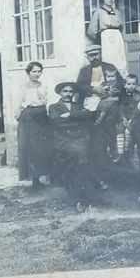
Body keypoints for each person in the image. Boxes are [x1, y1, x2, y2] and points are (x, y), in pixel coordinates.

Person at [47, 81, 96, 211]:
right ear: (59, 93)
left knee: (83, 168)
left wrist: (70, 115)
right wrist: (76, 121)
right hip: (64, 141)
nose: (68, 94)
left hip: (80, 140)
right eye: (65, 91)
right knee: (72, 170)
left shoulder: (77, 106)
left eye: (70, 92)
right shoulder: (54, 107)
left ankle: (85, 198)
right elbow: (56, 122)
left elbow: (89, 115)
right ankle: (77, 199)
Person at [76, 45, 120, 187]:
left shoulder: (109, 66)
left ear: (100, 54)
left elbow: (120, 83)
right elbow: (80, 87)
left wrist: (110, 90)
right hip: (91, 103)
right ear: (87, 57)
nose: (94, 57)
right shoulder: (84, 71)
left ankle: (113, 168)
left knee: (110, 135)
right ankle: (99, 175)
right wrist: (93, 89)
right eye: (91, 55)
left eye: (96, 54)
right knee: (97, 141)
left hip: (108, 103)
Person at [16, 60, 50, 189]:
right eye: (34, 71)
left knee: (40, 148)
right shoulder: (23, 87)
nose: (37, 74)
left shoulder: (43, 86)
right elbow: (19, 104)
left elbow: (44, 101)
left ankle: (39, 178)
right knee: (27, 147)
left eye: (39, 71)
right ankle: (30, 178)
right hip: (28, 118)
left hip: (41, 117)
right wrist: (19, 115)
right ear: (28, 73)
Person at [86, 0, 128, 77]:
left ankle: (121, 80)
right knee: (108, 60)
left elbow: (121, 27)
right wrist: (100, 39)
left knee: (120, 61)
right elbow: (91, 31)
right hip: (106, 39)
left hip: (117, 38)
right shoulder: (98, 12)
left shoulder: (117, 12)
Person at [115, 73, 140, 162]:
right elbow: (120, 108)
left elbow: (137, 110)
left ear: (137, 85)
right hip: (123, 118)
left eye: (133, 84)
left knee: (128, 131)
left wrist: (131, 120)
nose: (131, 86)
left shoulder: (138, 95)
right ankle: (120, 153)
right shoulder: (122, 95)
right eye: (129, 84)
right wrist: (123, 118)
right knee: (119, 129)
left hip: (133, 119)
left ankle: (126, 152)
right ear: (125, 85)